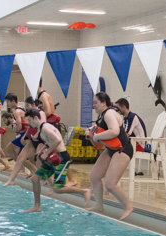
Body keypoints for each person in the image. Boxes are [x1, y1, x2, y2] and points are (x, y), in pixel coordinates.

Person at [22, 108, 91, 212]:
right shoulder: (43, 127)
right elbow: (51, 140)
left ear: (36, 118)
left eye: (30, 120)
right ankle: (37, 206)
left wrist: (46, 152)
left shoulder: (45, 128)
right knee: (35, 179)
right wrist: (43, 149)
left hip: (62, 158)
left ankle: (84, 191)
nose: (29, 123)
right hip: (55, 157)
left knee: (58, 189)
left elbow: (58, 140)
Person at [85, 92, 133, 220]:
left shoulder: (109, 113)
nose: (93, 105)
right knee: (95, 176)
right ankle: (99, 205)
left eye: (95, 102)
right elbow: (99, 146)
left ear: (103, 103)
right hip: (111, 150)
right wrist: (90, 136)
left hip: (123, 149)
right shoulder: (101, 118)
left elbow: (115, 131)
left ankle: (128, 207)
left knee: (110, 184)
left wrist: (96, 135)